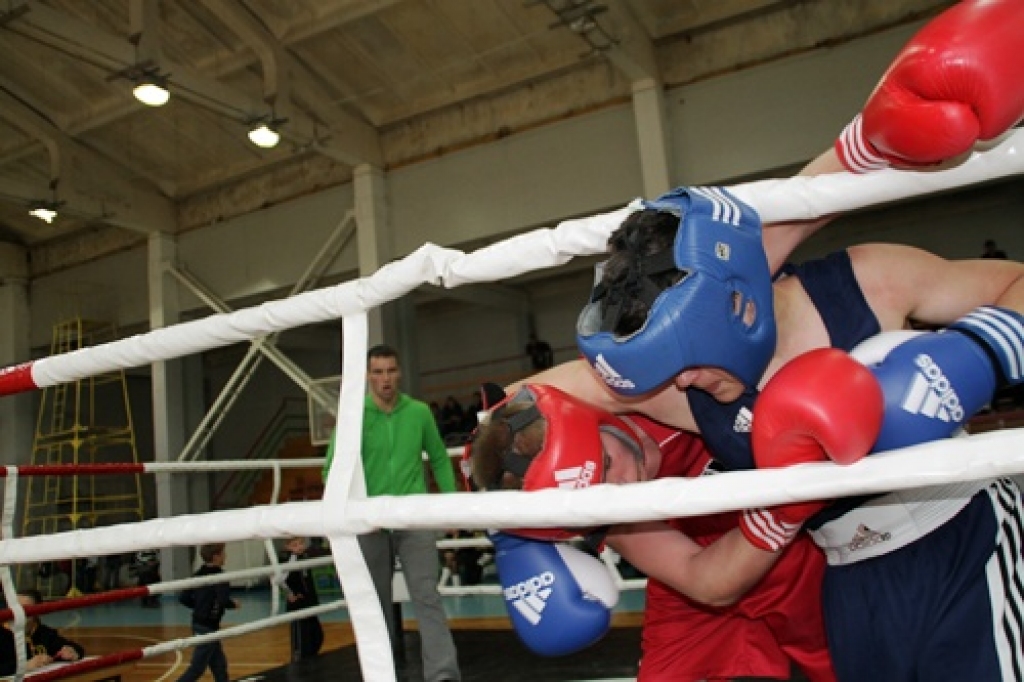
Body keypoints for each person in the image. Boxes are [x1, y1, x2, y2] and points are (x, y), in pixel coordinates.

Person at [469, 384, 838, 681]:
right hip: (699, 572)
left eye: (608, 462)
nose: (622, 486)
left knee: (851, 663)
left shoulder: (651, 389)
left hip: (792, 560)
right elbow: (703, 579)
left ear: (592, 416)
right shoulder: (604, 511)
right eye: (595, 495)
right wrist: (782, 508)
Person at [322, 344, 461, 682]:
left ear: (399, 373)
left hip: (414, 517)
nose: (385, 378)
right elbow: (331, 469)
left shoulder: (419, 412)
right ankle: (381, 675)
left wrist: (452, 507)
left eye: (390, 371)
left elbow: (440, 459)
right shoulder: (353, 415)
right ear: (368, 376)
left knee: (427, 596)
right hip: (368, 521)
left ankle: (442, 676)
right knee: (376, 605)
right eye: (378, 372)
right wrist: (339, 516)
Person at [176, 543, 238, 682]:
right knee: (197, 668)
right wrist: (233, 604)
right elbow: (223, 600)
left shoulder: (198, 574)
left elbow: (184, 598)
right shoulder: (220, 577)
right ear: (216, 556)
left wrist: (199, 607)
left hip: (200, 623)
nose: (225, 556)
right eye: (223, 553)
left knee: (219, 665)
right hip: (207, 627)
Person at [0, 588, 85, 676]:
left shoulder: (43, 633)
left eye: (25, 608)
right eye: (15, 608)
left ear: (37, 612)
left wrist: (72, 652)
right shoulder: (2, 634)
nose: (19, 613)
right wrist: (24, 666)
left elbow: (77, 649)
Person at [276, 536, 324, 661]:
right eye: (294, 545)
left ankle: (311, 664)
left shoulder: (305, 556)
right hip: (298, 605)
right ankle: (298, 667)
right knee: (302, 642)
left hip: (310, 602)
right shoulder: (288, 559)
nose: (299, 547)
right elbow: (279, 579)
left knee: (317, 637)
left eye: (300, 543)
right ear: (287, 547)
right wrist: (289, 593)